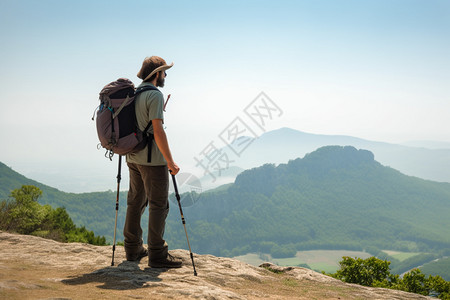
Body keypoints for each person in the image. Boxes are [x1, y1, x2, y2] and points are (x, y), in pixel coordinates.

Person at [124, 56, 182, 268]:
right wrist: (171, 162)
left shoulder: (134, 93)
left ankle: (132, 249)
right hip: (152, 160)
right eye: (164, 72)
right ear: (156, 73)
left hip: (132, 156)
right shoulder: (154, 95)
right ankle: (157, 255)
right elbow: (157, 131)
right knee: (158, 205)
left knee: (135, 202)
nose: (165, 75)